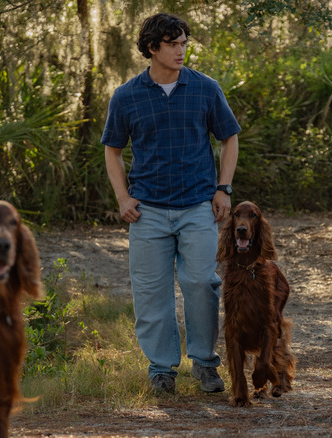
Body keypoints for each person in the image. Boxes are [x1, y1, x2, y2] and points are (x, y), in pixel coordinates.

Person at [101, 12, 240, 395]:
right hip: (147, 211)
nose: (181, 51)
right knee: (151, 292)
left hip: (197, 205)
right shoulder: (126, 95)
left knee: (201, 282)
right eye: (173, 44)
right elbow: (112, 152)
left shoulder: (205, 88)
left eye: (183, 43)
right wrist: (123, 197)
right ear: (152, 48)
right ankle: (161, 369)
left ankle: (204, 363)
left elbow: (230, 138)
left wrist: (223, 188)